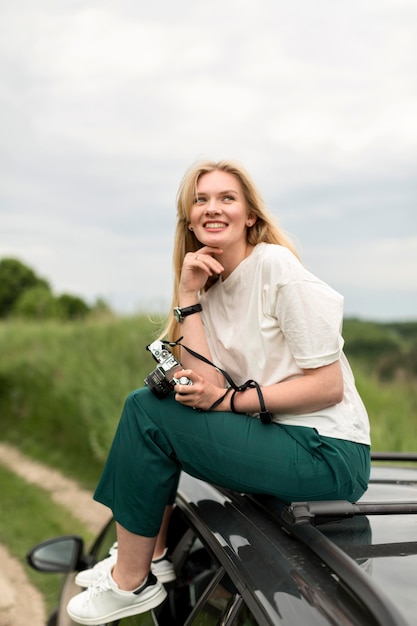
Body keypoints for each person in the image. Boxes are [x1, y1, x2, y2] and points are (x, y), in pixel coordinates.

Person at [67, 160, 371, 625]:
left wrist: (225, 402)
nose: (213, 207)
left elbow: (326, 387)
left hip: (328, 451)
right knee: (158, 409)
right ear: (189, 219)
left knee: (144, 410)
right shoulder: (208, 290)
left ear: (250, 215)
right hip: (280, 439)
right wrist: (189, 296)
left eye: (227, 198)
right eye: (200, 199)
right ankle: (155, 554)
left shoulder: (274, 266)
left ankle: (132, 582)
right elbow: (201, 384)